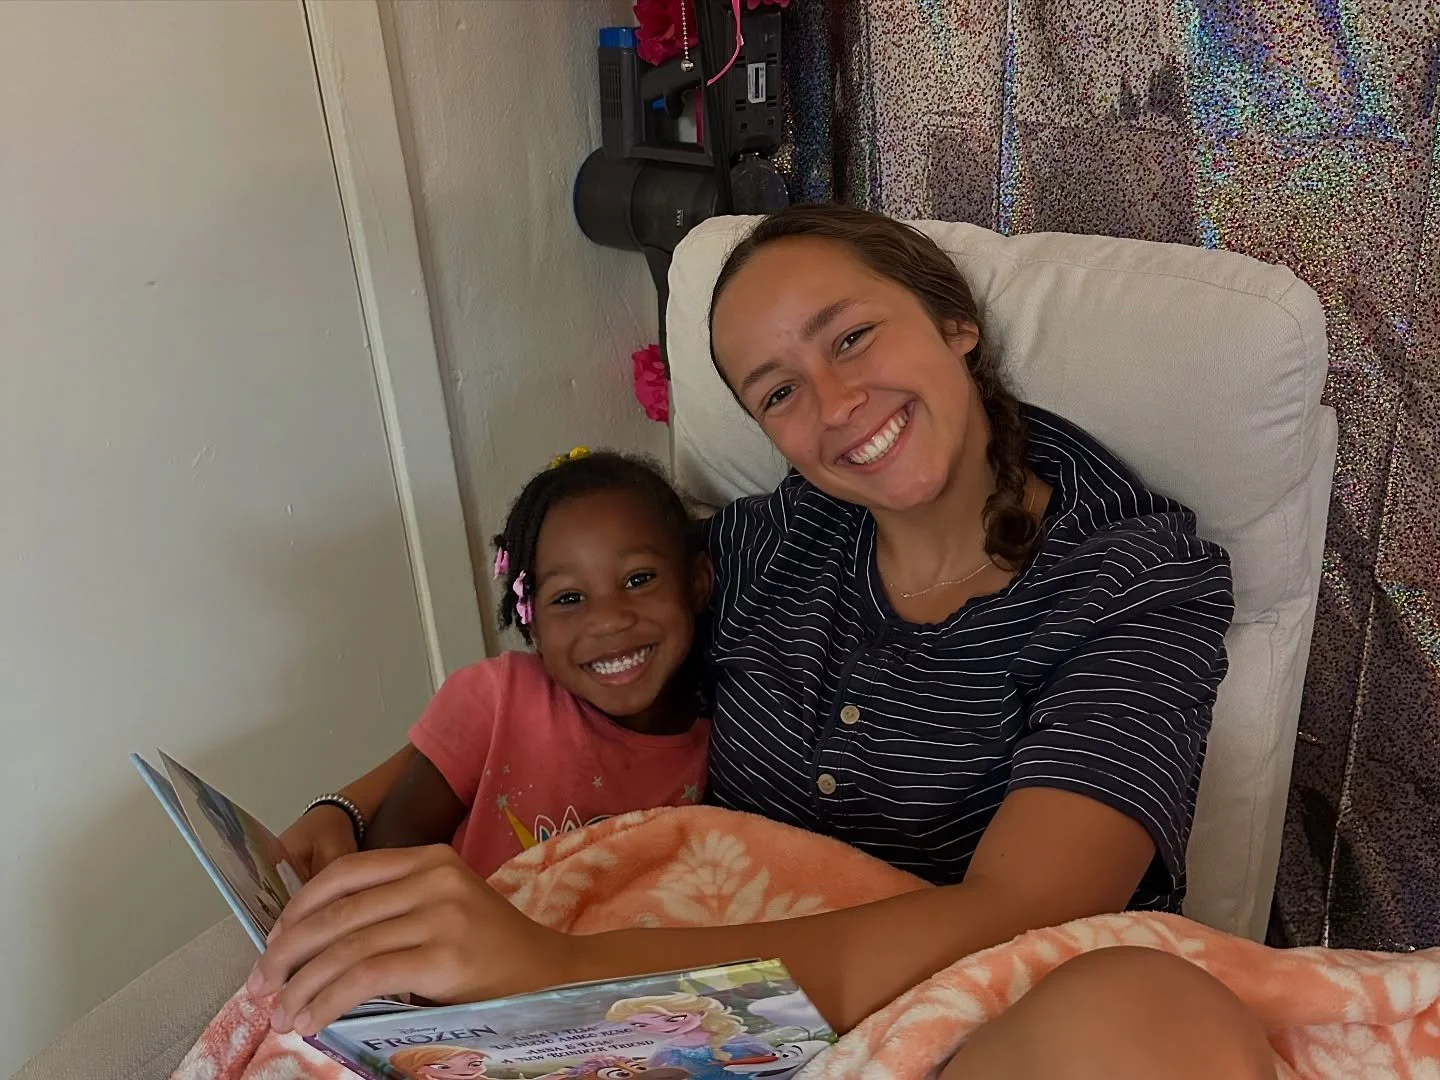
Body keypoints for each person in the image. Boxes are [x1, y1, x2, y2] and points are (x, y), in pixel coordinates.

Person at [254, 205, 1274, 1079]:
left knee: (1152, 1014)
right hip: (690, 1014)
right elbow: (600, 642)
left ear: (954, 323)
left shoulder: (1134, 579)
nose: (835, 406)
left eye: (850, 339)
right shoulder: (770, 543)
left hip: (945, 1028)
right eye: (778, 391)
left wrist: (555, 973)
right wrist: (358, 802)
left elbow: (1026, 909)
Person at [293, 448, 713, 883]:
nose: (608, 620)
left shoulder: (724, 748)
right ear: (532, 625)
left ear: (697, 583)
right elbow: (393, 845)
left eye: (638, 579)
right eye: (568, 598)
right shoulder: (499, 698)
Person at [606, 992, 777, 1080]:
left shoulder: (738, 1038)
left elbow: (779, 1059)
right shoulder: (668, 1047)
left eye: (673, 1019)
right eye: (641, 1025)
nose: (660, 1027)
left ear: (701, 1013)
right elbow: (648, 1072)